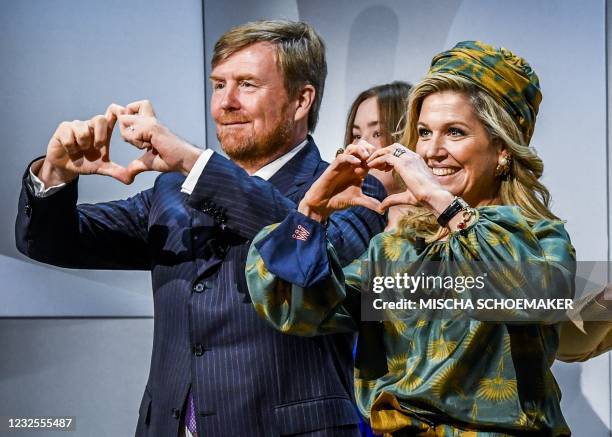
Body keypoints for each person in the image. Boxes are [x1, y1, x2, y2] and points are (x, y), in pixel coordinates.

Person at [14, 20, 387, 437]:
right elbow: (52, 242)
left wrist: (196, 163)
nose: (225, 103)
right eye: (218, 85)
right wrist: (55, 173)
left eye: (246, 84)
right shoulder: (172, 191)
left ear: (301, 100)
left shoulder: (351, 187)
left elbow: (320, 260)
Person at [246, 41, 576, 436]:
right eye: (423, 133)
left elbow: (532, 297)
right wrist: (310, 213)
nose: (432, 151)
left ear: (502, 149)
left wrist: (442, 202)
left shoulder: (539, 239)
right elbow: (296, 310)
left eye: (455, 132)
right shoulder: (397, 248)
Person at [344, 81, 411, 230]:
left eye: (378, 133)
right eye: (356, 135)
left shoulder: (445, 225)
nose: (360, 146)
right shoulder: (344, 221)